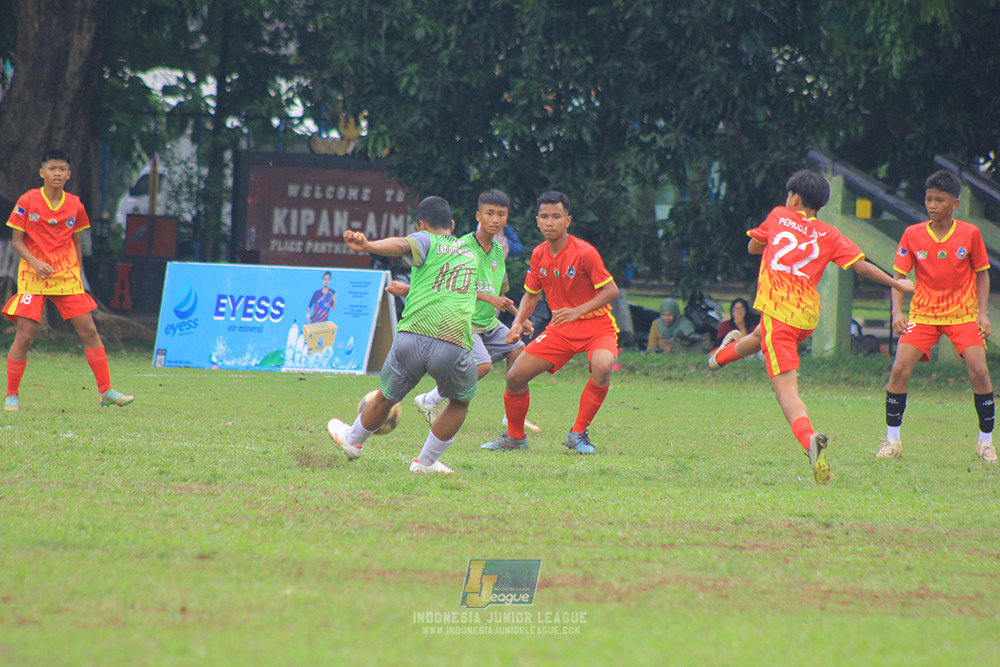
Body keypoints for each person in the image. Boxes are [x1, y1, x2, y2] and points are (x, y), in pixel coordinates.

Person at [706, 169, 913, 483]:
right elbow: (861, 266)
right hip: (804, 318)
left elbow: (752, 247)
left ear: (794, 198)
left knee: (786, 394)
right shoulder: (829, 234)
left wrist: (770, 244)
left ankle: (810, 440)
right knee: (761, 335)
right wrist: (897, 283)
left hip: (778, 312)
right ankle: (719, 358)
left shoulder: (778, 215)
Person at [326, 196, 478, 473]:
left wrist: (368, 246)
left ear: (421, 225)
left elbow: (401, 244)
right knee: (459, 402)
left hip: (413, 335)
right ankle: (425, 463)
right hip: (453, 340)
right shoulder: (470, 253)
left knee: (387, 396)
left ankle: (354, 440)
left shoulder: (426, 239)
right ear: (453, 225)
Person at [481, 191, 619, 455]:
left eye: (556, 217)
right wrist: (518, 322)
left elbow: (611, 291)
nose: (549, 222)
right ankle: (515, 437)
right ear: (537, 221)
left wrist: (578, 311)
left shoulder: (584, 252)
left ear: (568, 220)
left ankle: (577, 433)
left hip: (597, 325)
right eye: (544, 217)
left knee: (602, 367)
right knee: (515, 376)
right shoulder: (538, 254)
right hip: (561, 329)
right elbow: (531, 294)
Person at [877, 170, 995, 462]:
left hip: (962, 314)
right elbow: (898, 277)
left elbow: (982, 274)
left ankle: (985, 443)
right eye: (928, 199)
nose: (932, 205)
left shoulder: (970, 233)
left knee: (980, 371)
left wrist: (982, 313)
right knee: (898, 370)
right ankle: (892, 441)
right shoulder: (912, 234)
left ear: (955, 204)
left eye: (939, 200)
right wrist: (896, 311)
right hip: (923, 314)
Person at [3, 149, 134, 411]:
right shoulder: (28, 200)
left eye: (62, 169)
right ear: (42, 172)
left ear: (69, 175)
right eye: (52, 169)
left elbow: (77, 244)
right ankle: (12, 394)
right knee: (25, 335)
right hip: (33, 276)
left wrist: (78, 277)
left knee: (90, 331)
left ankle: (106, 391)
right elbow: (17, 242)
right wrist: (36, 263)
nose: (57, 173)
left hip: (66, 277)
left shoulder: (75, 205)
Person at [407, 189, 539, 432]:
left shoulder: (498, 250)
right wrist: (489, 298)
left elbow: (501, 295)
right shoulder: (462, 246)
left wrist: (520, 318)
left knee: (518, 352)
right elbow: (450, 286)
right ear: (478, 216)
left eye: (501, 214)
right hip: (464, 320)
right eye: (490, 213)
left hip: (487, 322)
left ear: (507, 219)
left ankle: (511, 417)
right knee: (483, 366)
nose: (495, 219)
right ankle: (430, 399)